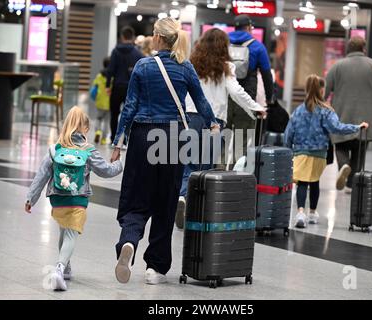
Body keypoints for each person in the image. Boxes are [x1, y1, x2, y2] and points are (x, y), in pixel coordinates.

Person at [110, 17, 219, 285]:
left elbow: (130, 107)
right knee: (166, 201)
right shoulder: (185, 67)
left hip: (143, 136)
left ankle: (129, 241)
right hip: (173, 139)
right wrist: (213, 125)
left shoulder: (143, 66)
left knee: (136, 196)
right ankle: (155, 268)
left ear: (157, 38)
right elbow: (201, 102)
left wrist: (117, 142)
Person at [175, 28, 267, 229]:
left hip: (190, 118)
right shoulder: (226, 68)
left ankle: (182, 197)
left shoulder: (191, 65)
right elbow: (236, 92)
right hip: (214, 121)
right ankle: (196, 210)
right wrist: (256, 107)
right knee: (205, 167)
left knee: (188, 163)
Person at [24, 106, 123, 291]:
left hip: (57, 199)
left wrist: (31, 198)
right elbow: (106, 171)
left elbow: (41, 175)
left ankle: (66, 267)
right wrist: (119, 164)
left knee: (64, 230)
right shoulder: (88, 150)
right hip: (77, 199)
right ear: (84, 128)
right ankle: (59, 270)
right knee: (70, 233)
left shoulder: (55, 149)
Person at [285, 75, 368, 228]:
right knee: (314, 181)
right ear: (321, 90)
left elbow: (288, 134)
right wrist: (357, 127)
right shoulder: (326, 111)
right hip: (319, 154)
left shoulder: (298, 111)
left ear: (306, 89)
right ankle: (312, 213)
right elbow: (337, 128)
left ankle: (300, 213)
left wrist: (288, 150)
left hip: (301, 153)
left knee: (302, 182)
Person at [325, 36, 372, 193]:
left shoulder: (337, 66)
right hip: (366, 120)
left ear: (349, 49)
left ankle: (343, 166)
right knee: (359, 150)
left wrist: (317, 108)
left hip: (342, 115)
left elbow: (325, 89)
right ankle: (351, 183)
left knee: (340, 145)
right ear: (364, 49)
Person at [227, 14, 274, 158]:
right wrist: (269, 99)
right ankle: (234, 175)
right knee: (240, 142)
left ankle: (217, 174)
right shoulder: (257, 46)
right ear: (248, 27)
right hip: (246, 98)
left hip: (226, 96)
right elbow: (267, 75)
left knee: (222, 138)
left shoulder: (223, 42)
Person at [106, 26, 143, 144]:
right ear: (132, 37)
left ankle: (113, 138)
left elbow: (110, 70)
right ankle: (126, 139)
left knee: (114, 113)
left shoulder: (115, 51)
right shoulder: (137, 53)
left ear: (122, 37)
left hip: (117, 87)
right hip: (131, 89)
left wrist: (108, 85)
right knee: (129, 114)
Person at [92, 57, 111, 145]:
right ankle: (103, 139)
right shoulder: (112, 77)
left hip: (100, 101)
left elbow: (94, 88)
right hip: (109, 103)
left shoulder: (99, 76)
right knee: (107, 121)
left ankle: (97, 132)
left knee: (98, 119)